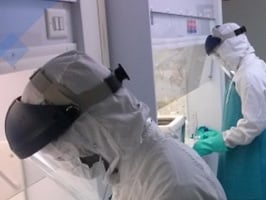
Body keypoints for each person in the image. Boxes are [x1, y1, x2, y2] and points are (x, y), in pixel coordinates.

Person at [3, 51, 226, 200]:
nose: (66, 164)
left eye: (62, 155)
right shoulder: (136, 164)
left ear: (88, 131)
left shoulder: (171, 188)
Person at [198, 23, 266, 200]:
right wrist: (219, 135)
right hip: (243, 148)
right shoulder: (248, 67)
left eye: (219, 54)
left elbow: (253, 125)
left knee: (249, 194)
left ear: (230, 46)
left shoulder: (249, 75)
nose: (219, 60)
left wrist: (218, 141)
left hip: (249, 154)